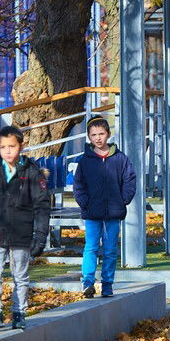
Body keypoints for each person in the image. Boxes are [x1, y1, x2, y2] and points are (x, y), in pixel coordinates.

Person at [0, 126, 50, 330]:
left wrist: (40, 235)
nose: (7, 151)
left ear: (21, 146)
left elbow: (42, 204)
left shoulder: (32, 172)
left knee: (20, 274)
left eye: (12, 146)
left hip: (22, 232)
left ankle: (19, 312)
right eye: (3, 147)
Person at [74, 117, 137, 298]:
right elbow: (79, 184)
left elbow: (130, 180)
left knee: (110, 249)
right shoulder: (85, 160)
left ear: (108, 134)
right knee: (91, 247)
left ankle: (107, 283)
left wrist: (123, 199)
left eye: (101, 134)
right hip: (92, 212)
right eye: (93, 135)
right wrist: (84, 202)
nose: (98, 138)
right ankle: (88, 282)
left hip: (113, 212)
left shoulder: (120, 158)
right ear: (89, 137)